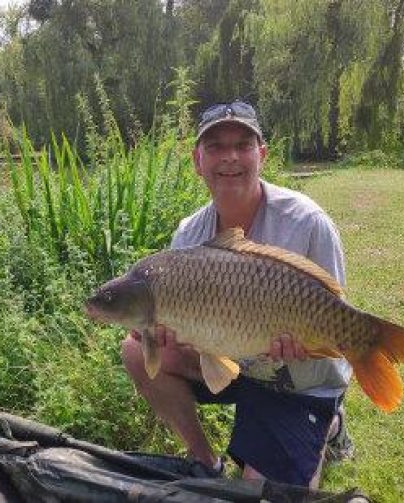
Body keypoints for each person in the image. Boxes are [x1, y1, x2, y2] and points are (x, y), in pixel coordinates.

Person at [120, 100, 353, 488]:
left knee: (257, 492)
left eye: (243, 145)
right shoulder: (189, 235)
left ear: (262, 155)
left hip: (296, 381)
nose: (230, 157)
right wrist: (167, 334)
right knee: (135, 349)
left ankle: (328, 423)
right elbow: (191, 337)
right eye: (215, 147)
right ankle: (204, 462)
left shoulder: (309, 222)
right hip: (233, 362)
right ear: (197, 161)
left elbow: (334, 314)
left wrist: (307, 344)